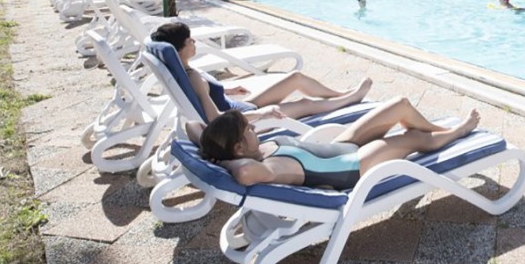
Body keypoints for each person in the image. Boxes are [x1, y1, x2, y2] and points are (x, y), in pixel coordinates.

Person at [193, 97, 480, 189]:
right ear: (239, 149)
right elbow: (243, 174)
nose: (255, 128)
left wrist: (212, 153)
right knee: (413, 138)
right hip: (353, 165)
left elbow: (192, 127)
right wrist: (223, 161)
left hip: (341, 146)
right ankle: (457, 132)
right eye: (249, 129)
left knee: (400, 105)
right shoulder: (264, 167)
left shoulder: (251, 150)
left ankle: (440, 129)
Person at [149, 22, 371, 123]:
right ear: (179, 49)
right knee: (305, 104)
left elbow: (206, 92)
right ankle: (350, 100)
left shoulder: (187, 72)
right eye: (189, 40)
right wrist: (261, 115)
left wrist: (227, 88)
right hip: (244, 119)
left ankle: (339, 93)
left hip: (241, 106)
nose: (194, 42)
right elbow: (216, 120)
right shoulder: (193, 78)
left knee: (295, 78)